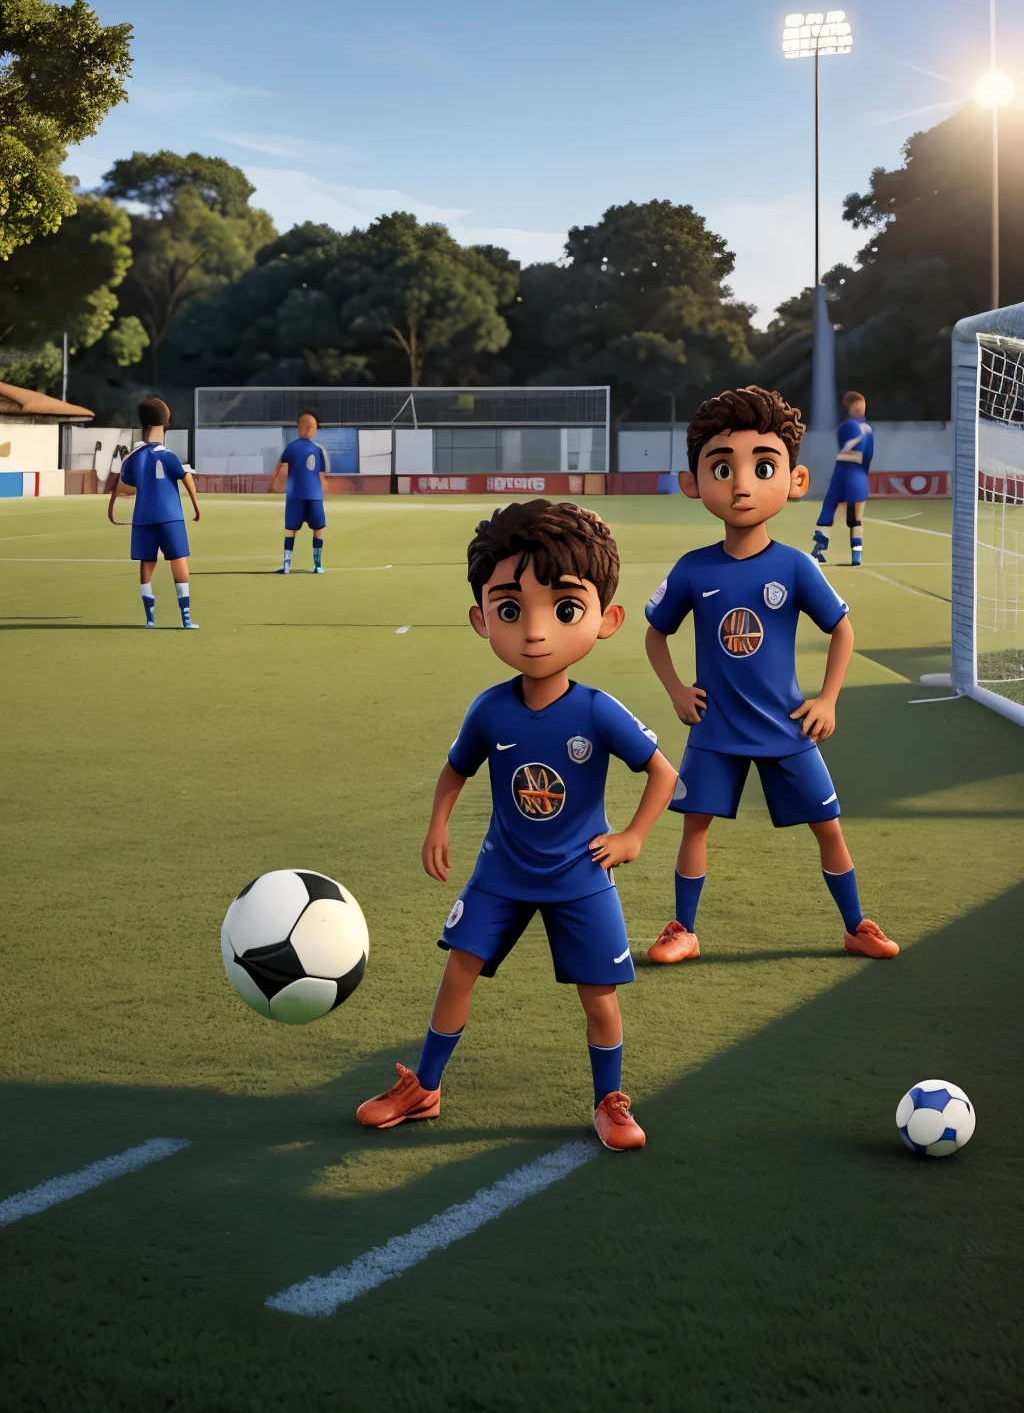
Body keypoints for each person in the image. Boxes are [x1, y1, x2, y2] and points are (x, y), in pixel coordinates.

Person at [356, 501, 678, 1151]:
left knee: (598, 996)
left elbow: (664, 774)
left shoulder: (598, 712)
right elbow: (456, 770)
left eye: (563, 610)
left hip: (580, 874)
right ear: (482, 618)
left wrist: (633, 837)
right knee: (459, 971)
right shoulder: (490, 712)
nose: (534, 632)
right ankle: (424, 1086)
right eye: (510, 610)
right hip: (501, 872)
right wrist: (438, 824)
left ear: (606, 620)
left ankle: (609, 1100)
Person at [643, 385, 898, 967]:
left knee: (828, 826)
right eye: (722, 468)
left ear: (795, 480)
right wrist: (678, 690)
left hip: (786, 727)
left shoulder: (795, 565)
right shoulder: (692, 569)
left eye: (762, 467)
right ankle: (683, 929)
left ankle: (855, 924)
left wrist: (828, 700)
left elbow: (843, 629)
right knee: (695, 828)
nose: (742, 485)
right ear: (693, 483)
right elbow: (656, 633)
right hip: (715, 730)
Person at [108, 399, 200, 629]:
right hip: (171, 517)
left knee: (146, 563)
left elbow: (125, 487)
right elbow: (185, 477)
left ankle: (150, 618)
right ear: (166, 423)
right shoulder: (168, 455)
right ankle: (186, 617)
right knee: (179, 560)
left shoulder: (135, 458)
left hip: (144, 518)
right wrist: (197, 507)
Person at [811, 391, 873, 566]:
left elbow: (845, 451)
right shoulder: (866, 429)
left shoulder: (845, 428)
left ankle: (819, 549)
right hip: (857, 475)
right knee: (855, 518)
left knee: (829, 508)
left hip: (843, 473)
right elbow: (867, 456)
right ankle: (856, 556)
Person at [268, 411, 329, 574]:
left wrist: (274, 484)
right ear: (313, 429)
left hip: (295, 496)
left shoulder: (291, 448)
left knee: (290, 529)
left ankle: (287, 566)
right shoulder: (318, 450)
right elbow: (322, 476)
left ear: (298, 428)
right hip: (315, 496)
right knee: (318, 529)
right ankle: (317, 566)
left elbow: (280, 469)